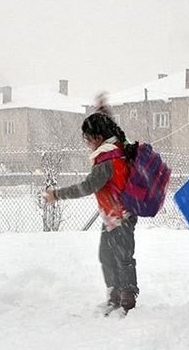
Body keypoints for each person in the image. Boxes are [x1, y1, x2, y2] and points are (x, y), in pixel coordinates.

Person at [42, 111, 139, 314]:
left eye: (87, 139)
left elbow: (87, 187)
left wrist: (57, 195)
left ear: (98, 138)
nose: (87, 144)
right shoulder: (119, 147)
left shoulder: (107, 161)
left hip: (120, 216)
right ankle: (115, 295)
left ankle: (127, 300)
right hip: (115, 216)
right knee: (107, 256)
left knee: (122, 258)